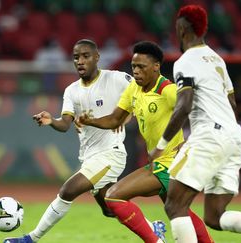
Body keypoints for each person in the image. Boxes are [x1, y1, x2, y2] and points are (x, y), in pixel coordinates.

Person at [148, 5, 241, 243]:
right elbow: (232, 103)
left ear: (182, 29)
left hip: (208, 136)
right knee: (214, 216)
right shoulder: (217, 59)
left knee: (174, 204)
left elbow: (183, 106)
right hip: (233, 139)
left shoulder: (185, 62)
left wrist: (160, 146)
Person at [78, 41, 213, 243]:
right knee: (179, 211)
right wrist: (90, 121)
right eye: (134, 67)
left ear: (156, 66)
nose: (136, 71)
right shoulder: (134, 88)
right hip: (159, 163)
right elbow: (115, 119)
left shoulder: (167, 91)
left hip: (170, 164)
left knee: (113, 196)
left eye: (141, 67)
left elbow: (195, 108)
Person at [3, 39, 131, 243]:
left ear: (97, 57)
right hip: (90, 157)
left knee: (67, 191)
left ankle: (30, 239)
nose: (80, 61)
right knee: (110, 209)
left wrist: (126, 116)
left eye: (85, 56)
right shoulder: (72, 90)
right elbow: (65, 124)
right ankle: (154, 227)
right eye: (76, 57)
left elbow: (142, 92)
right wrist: (51, 120)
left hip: (111, 153)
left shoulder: (116, 79)